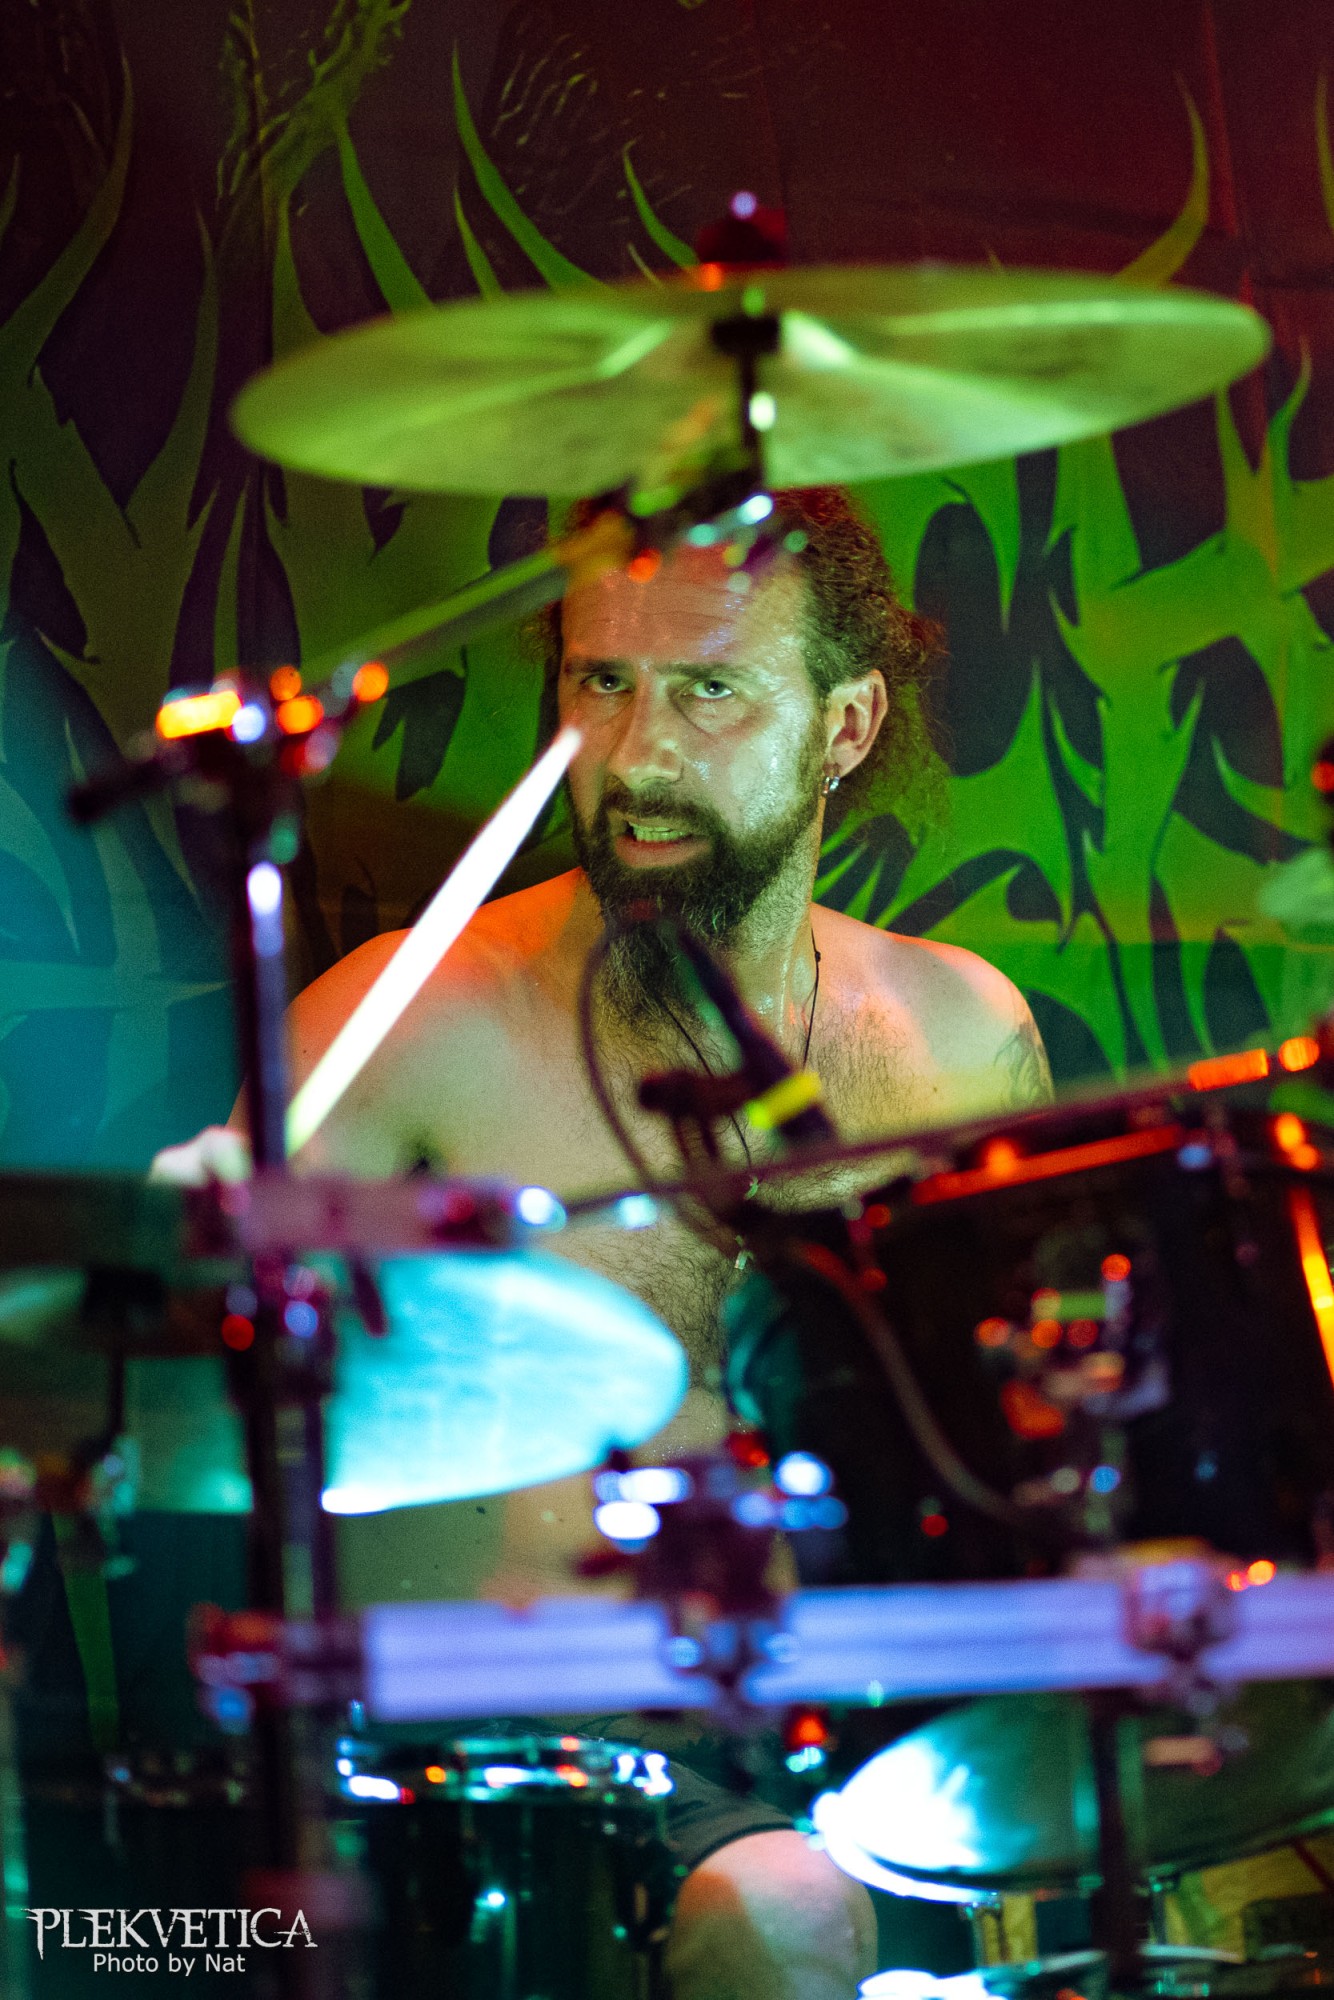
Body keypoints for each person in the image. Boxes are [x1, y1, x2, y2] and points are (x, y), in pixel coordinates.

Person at [157, 486, 1053, 2000]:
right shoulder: (410, 1023)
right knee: (788, 1912)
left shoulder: (960, 1037)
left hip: (859, 1736)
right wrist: (185, 1256)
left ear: (843, 726)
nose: (636, 756)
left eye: (709, 691)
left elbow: (1025, 1445)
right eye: (602, 683)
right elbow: (167, 1363)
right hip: (512, 1779)